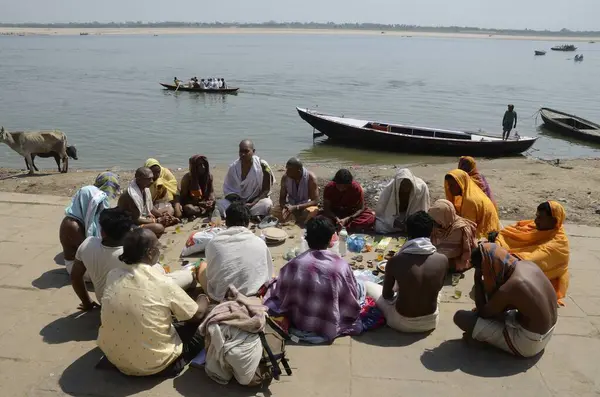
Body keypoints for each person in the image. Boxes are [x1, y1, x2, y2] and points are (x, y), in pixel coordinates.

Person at [98, 228, 209, 377]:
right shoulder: (161, 282)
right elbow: (197, 315)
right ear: (150, 253)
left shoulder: (113, 275)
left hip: (115, 358)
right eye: (158, 247)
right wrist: (203, 298)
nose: (160, 250)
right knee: (204, 324)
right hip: (156, 364)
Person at [264, 216, 363, 342]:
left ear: (307, 239)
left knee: (274, 283)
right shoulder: (341, 266)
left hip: (300, 321)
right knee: (361, 286)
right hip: (329, 323)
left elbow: (281, 292)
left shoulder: (294, 264)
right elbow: (351, 299)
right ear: (330, 241)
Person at [453, 243, 557, 358]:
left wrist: (477, 280)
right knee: (493, 312)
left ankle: (487, 342)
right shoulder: (527, 264)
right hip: (547, 333)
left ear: (487, 268)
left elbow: (483, 313)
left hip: (529, 344)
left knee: (461, 317)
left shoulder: (511, 287)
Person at [365, 211, 448, 333]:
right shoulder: (443, 260)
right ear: (431, 232)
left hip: (401, 322)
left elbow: (387, 295)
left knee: (366, 285)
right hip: (431, 321)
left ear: (407, 232)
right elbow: (438, 287)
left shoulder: (396, 261)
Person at [494, 201, 570, 306]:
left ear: (554, 220)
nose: (535, 221)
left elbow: (528, 262)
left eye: (540, 218)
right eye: (536, 216)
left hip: (545, 282)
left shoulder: (557, 244)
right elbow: (510, 232)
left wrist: (498, 253)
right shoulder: (539, 227)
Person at [198, 202, 274, 302]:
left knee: (202, 266)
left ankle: (212, 299)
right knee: (271, 273)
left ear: (226, 222)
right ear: (248, 222)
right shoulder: (259, 242)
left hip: (223, 298)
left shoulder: (214, 243)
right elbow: (268, 273)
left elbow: (211, 273)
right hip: (254, 297)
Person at [70, 208, 133, 311]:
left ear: (102, 232)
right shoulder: (132, 253)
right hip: (130, 308)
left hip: (104, 303)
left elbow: (75, 277)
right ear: (129, 232)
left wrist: (87, 303)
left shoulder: (87, 244)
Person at [216, 140, 274, 220]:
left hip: (255, 202)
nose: (243, 154)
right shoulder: (234, 167)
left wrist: (252, 203)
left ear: (253, 152)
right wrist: (239, 204)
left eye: (246, 151)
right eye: (241, 151)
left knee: (267, 203)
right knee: (220, 204)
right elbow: (229, 190)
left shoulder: (262, 165)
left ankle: (241, 215)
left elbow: (266, 190)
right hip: (237, 203)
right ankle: (249, 215)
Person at [59, 185, 111, 275]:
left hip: (87, 261)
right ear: (86, 203)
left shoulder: (86, 217)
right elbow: (87, 252)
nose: (100, 206)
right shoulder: (72, 225)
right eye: (97, 203)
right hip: (76, 266)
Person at [445, 169, 500, 239]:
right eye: (449, 185)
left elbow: (467, 228)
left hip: (486, 236)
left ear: (461, 183)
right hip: (492, 230)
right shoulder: (472, 192)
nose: (449, 188)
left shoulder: (470, 201)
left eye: (452, 185)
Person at [375, 168, 430, 234]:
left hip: (413, 217)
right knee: (379, 226)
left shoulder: (421, 188)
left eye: (408, 184)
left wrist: (411, 222)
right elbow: (381, 212)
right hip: (397, 218)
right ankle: (404, 229)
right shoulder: (390, 188)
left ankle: (408, 229)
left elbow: (422, 209)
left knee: (422, 227)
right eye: (403, 184)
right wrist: (395, 222)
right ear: (398, 184)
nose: (406, 187)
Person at [429, 199, 477, 272]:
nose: (434, 224)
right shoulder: (438, 222)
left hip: (455, 259)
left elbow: (463, 252)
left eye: (436, 222)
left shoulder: (460, 229)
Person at [117, 167, 166, 237]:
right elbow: (135, 220)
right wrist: (156, 220)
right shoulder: (131, 195)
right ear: (139, 179)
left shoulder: (145, 188)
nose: (152, 181)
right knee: (159, 227)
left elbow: (150, 207)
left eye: (152, 178)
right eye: (149, 179)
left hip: (141, 218)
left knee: (169, 210)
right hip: (128, 225)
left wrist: (162, 215)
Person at [275, 157, 319, 224]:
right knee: (273, 211)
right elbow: (282, 198)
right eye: (287, 169)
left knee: (313, 211)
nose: (286, 172)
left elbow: (315, 201)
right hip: (291, 205)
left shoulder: (311, 178)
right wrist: (285, 206)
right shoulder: (285, 177)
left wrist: (296, 207)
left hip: (305, 206)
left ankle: (297, 221)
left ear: (298, 171)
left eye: (289, 170)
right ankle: (295, 220)